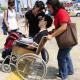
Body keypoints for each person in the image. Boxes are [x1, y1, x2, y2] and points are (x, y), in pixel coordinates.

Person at [46, 0, 74, 80]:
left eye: (49, 7)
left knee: (61, 57)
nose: (48, 9)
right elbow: (59, 26)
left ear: (54, 6)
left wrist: (52, 35)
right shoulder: (58, 13)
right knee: (66, 55)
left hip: (67, 39)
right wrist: (52, 31)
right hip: (66, 40)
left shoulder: (61, 12)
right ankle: (70, 71)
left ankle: (64, 75)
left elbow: (64, 27)